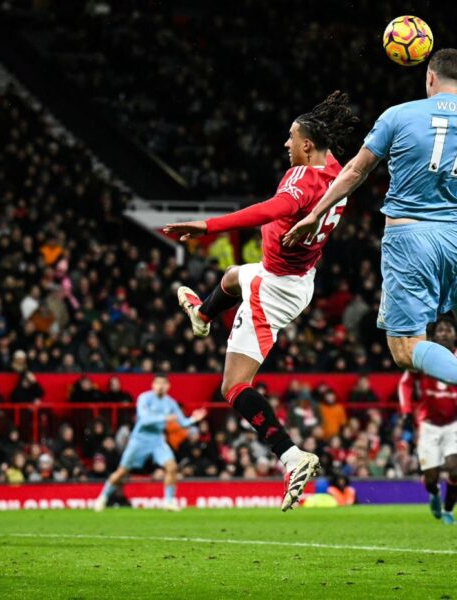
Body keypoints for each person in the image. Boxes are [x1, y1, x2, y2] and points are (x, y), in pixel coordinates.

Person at [164, 92, 358, 511]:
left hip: (274, 287)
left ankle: (292, 456)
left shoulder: (301, 180)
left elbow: (267, 210)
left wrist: (207, 226)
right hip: (299, 276)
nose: (285, 144)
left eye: (291, 138)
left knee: (232, 386)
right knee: (232, 276)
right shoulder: (337, 172)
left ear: (307, 144)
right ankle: (202, 315)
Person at [285, 49, 457, 387]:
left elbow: (356, 171)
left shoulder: (399, 115)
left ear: (430, 78)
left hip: (412, 238)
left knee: (406, 347)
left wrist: (317, 213)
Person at [94, 374, 206, 511]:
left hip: (157, 439)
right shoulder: (144, 398)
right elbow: (144, 419)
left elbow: (182, 422)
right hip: (140, 439)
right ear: (153, 385)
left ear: (168, 386)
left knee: (172, 467)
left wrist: (193, 419)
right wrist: (165, 417)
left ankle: (169, 501)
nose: (160, 387)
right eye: (158, 383)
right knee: (122, 471)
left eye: (163, 384)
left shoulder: (170, 402)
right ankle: (102, 497)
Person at [399, 318, 457, 525]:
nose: (443, 333)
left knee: (455, 469)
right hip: (428, 425)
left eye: (448, 329)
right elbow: (405, 384)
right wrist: (406, 413)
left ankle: (448, 510)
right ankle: (434, 493)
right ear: (434, 335)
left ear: (454, 335)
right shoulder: (424, 357)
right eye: (440, 330)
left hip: (453, 424)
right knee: (431, 478)